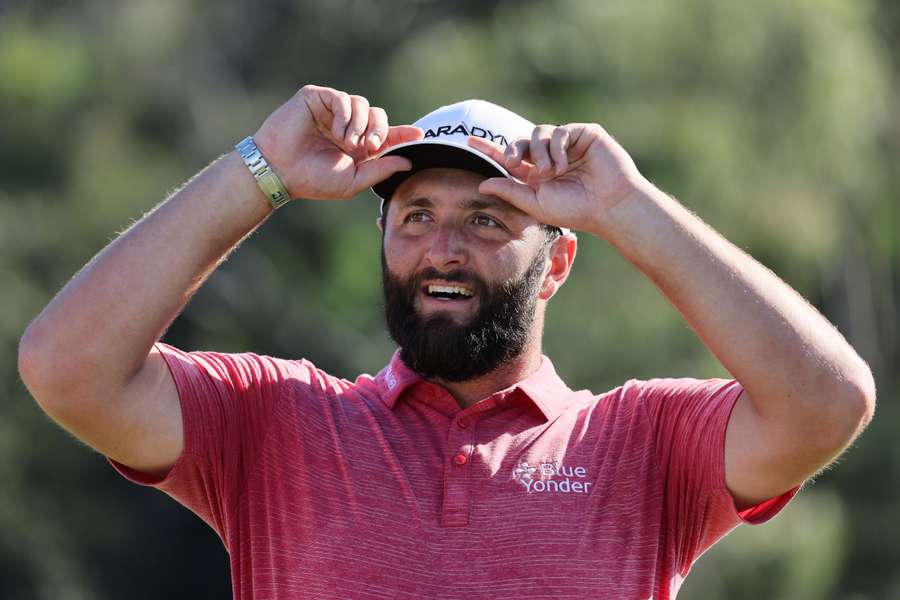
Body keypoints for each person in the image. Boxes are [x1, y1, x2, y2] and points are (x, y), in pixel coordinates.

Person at [18, 84, 876, 599]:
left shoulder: (643, 443)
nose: (444, 247)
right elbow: (67, 368)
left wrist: (628, 206)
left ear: (557, 263)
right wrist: (262, 171)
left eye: (487, 219)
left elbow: (827, 402)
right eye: (416, 216)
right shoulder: (276, 421)